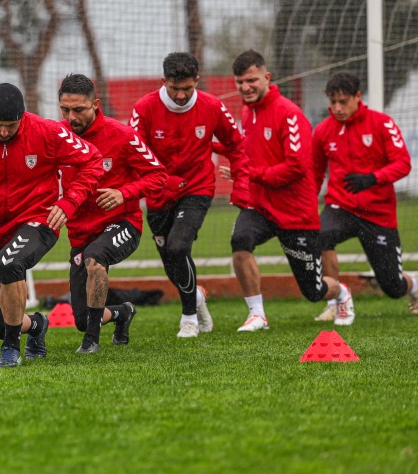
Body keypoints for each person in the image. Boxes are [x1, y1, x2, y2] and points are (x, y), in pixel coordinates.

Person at [0, 83, 104, 367]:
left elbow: (93, 161)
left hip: (38, 221)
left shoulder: (48, 131)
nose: (3, 132)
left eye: (10, 126)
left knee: (10, 262)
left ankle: (10, 349)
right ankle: (36, 325)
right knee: (1, 323)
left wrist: (69, 201)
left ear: (22, 118)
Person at [229, 49, 353, 331]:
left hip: (295, 213)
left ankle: (342, 293)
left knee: (313, 290)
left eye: (251, 80)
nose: (246, 88)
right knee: (240, 241)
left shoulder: (289, 113)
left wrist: (252, 173)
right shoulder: (246, 112)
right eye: (240, 82)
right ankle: (257, 314)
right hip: (260, 205)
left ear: (267, 77)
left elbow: (296, 167)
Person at [129, 52, 247, 337]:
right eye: (174, 88)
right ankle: (197, 298)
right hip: (158, 194)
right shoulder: (144, 108)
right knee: (172, 263)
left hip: (197, 188)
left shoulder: (213, 107)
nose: (181, 95)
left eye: (187, 88)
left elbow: (237, 145)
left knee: (178, 246)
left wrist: (242, 182)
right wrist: (161, 182)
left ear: (197, 81)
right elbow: (131, 154)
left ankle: (189, 317)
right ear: (163, 82)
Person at [58, 74, 166, 353]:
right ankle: (122, 312)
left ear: (95, 104)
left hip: (122, 224)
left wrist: (124, 192)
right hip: (81, 232)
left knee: (96, 258)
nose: (71, 117)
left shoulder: (122, 135)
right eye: (65, 110)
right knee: (81, 318)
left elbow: (159, 177)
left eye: (78, 110)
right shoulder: (58, 137)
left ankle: (91, 342)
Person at [311, 71, 415, 320]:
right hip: (341, 208)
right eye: (332, 102)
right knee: (321, 235)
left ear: (358, 97)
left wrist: (373, 178)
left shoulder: (381, 123)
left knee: (392, 287)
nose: (337, 108)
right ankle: (336, 300)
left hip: (378, 214)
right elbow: (314, 173)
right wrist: (307, 205)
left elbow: (404, 164)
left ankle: (414, 286)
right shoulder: (323, 131)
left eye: (343, 101)